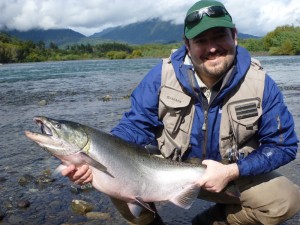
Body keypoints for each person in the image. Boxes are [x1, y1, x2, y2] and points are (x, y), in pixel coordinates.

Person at [62, 0, 300, 224]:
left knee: (287, 200)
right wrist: (97, 158)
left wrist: (232, 171)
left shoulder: (260, 83)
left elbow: (283, 145)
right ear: (187, 45)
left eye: (219, 36)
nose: (212, 47)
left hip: (231, 176)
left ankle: (213, 221)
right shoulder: (161, 77)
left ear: (235, 36)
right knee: (118, 177)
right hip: (164, 176)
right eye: (201, 40)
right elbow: (135, 127)